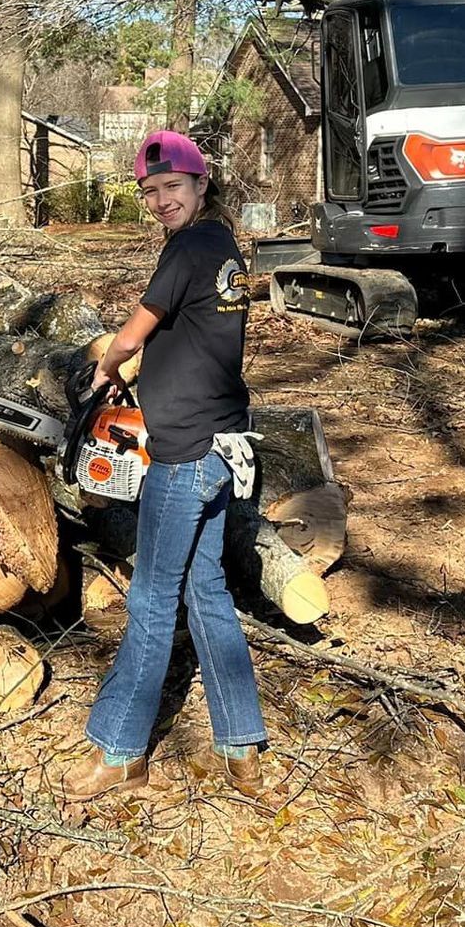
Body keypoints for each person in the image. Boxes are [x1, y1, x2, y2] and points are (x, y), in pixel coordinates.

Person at [61, 130, 268, 802]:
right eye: (149, 192)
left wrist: (108, 366)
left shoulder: (191, 247)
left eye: (171, 187)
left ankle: (121, 751)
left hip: (184, 455)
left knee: (151, 601)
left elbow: (136, 329)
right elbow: (191, 338)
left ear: (201, 185)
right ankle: (241, 746)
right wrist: (140, 381)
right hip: (222, 440)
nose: (159, 201)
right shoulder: (224, 251)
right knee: (206, 590)